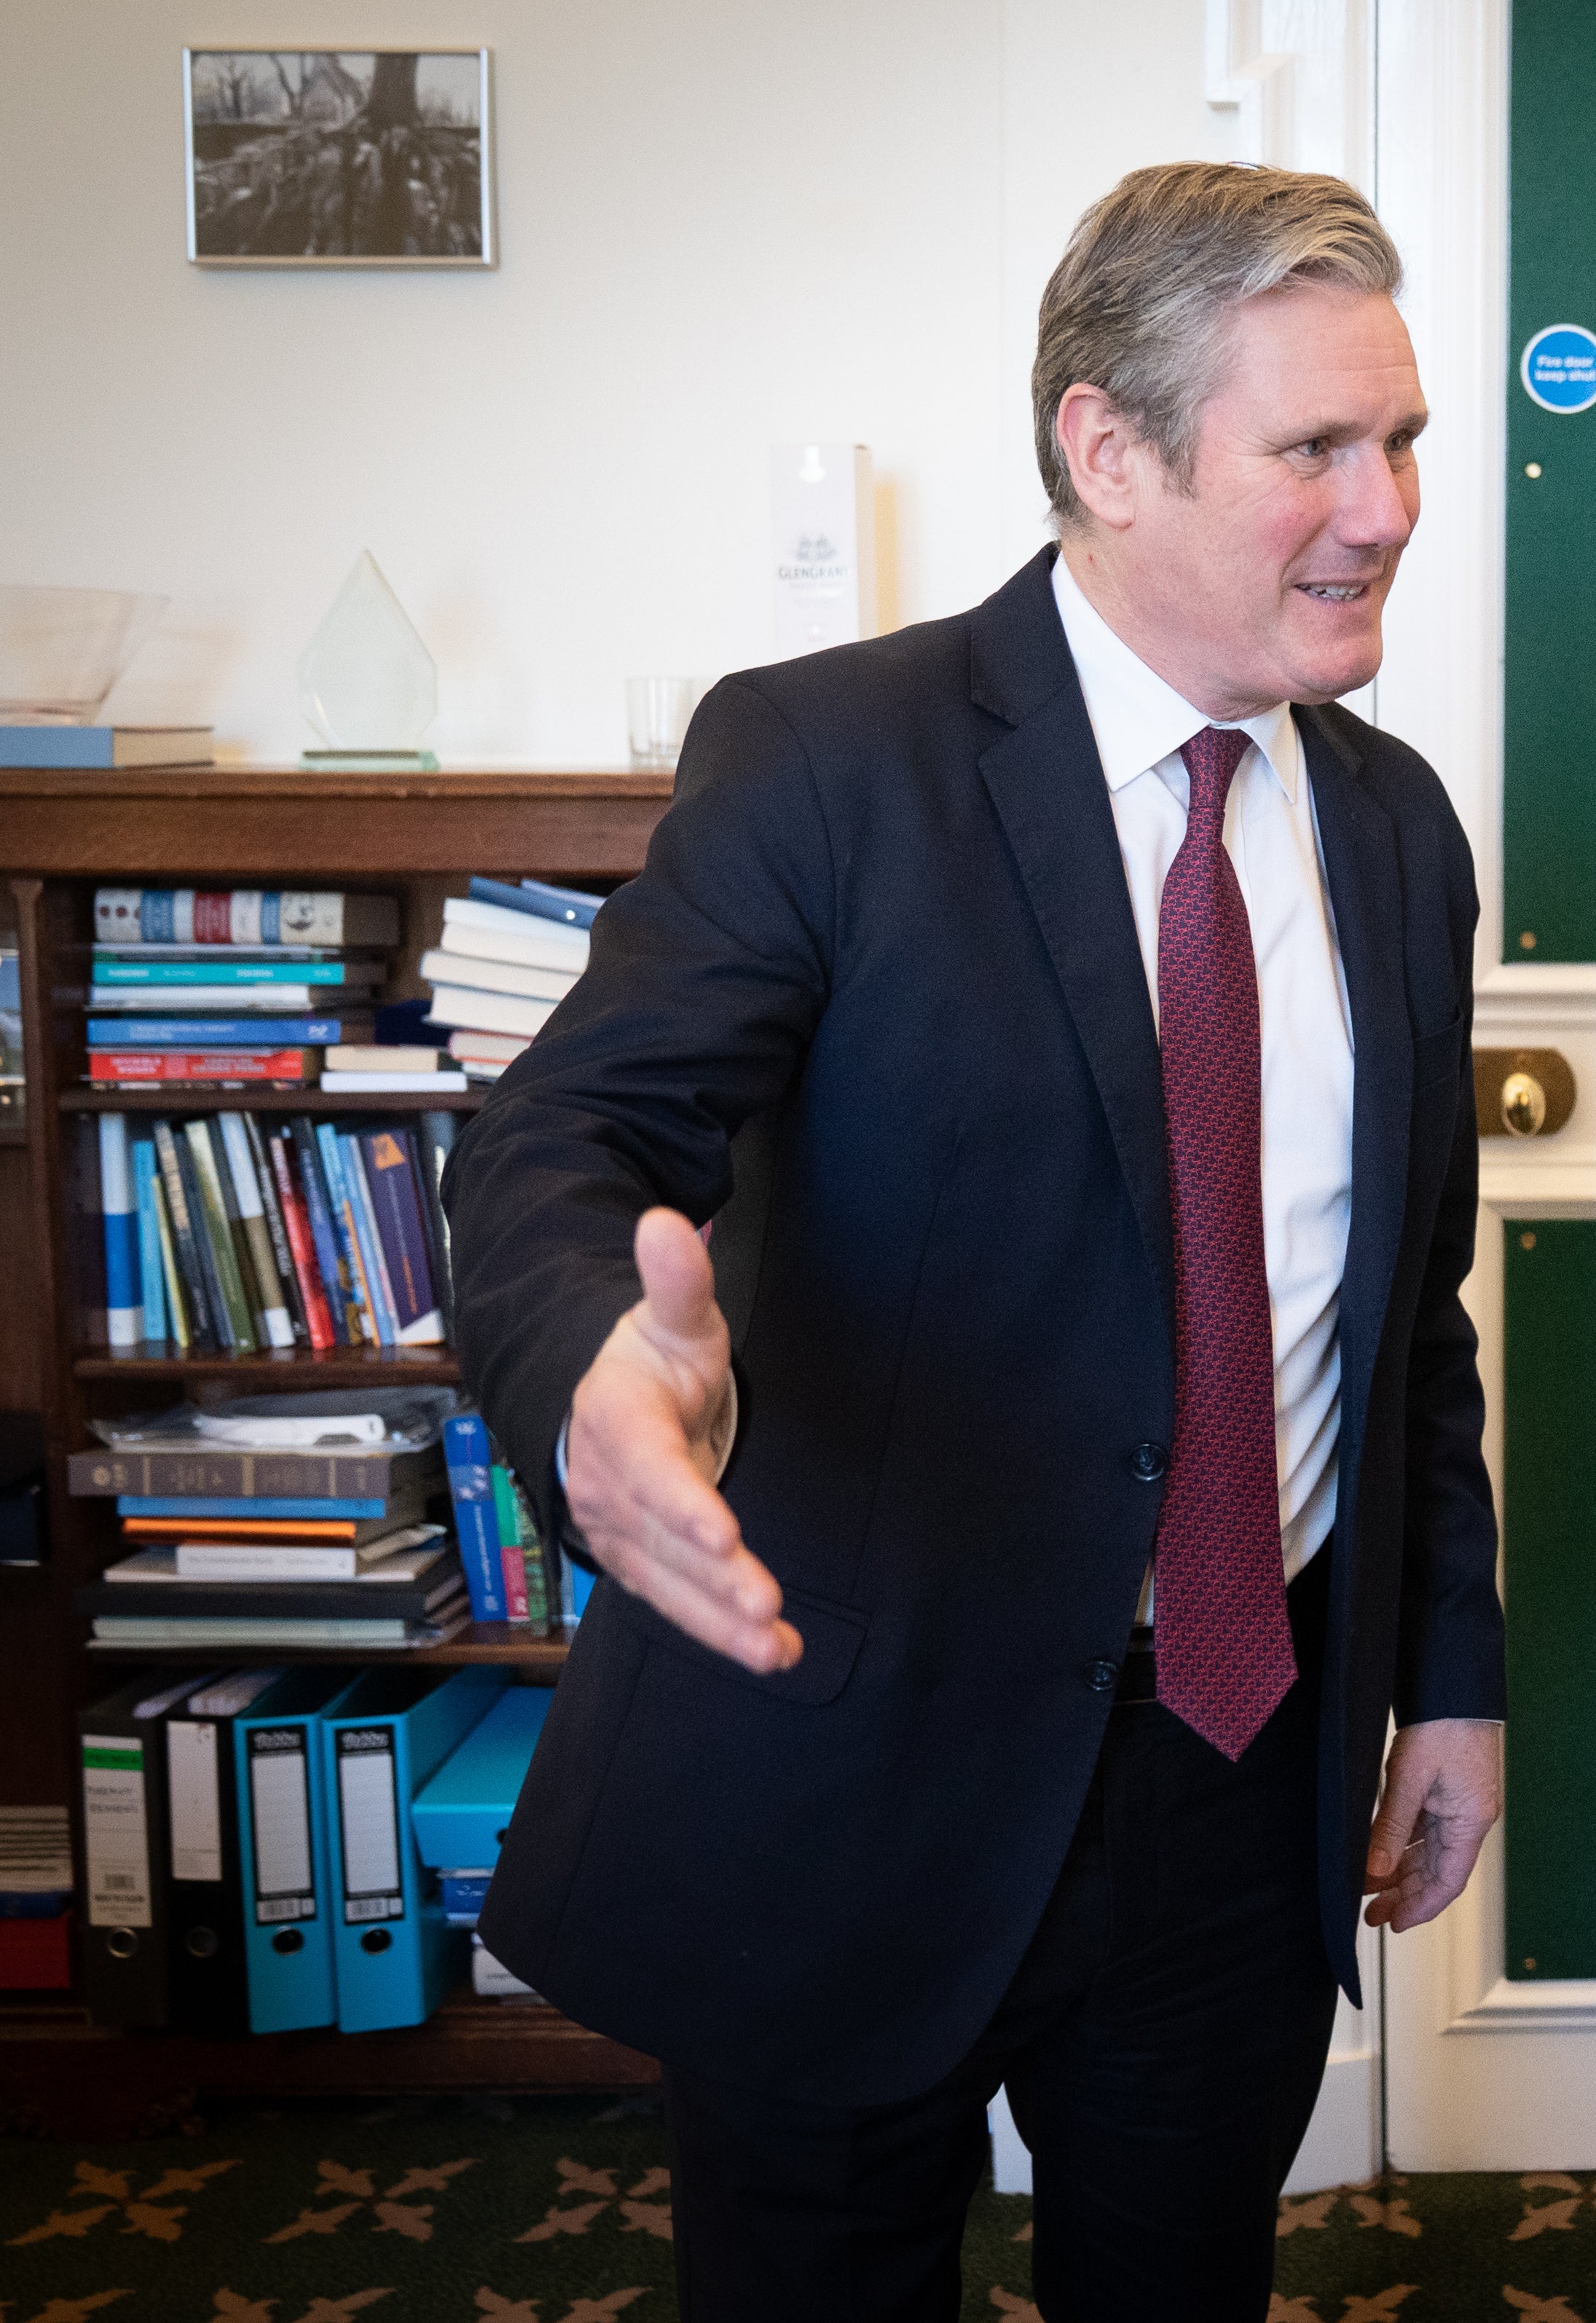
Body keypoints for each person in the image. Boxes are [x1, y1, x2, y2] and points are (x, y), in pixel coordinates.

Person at [449, 162, 1505, 2322]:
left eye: (1402, 444)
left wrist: (1454, 1679)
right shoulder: (832, 761)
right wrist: (593, 1381)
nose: (1390, 507)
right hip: (861, 1757)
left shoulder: (1393, 830)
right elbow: (572, 1132)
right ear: (1108, 450)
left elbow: (1406, 1321)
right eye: (1316, 448)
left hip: (1239, 1762)